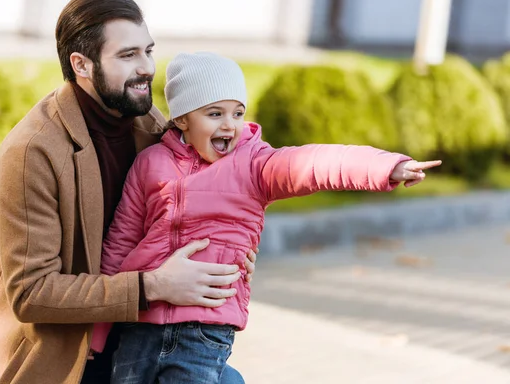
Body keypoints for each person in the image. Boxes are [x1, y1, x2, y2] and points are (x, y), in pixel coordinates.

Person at [0, 0, 255, 384]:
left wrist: (230, 252)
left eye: (148, 50)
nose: (146, 68)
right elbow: (32, 292)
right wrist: (156, 285)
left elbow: (202, 201)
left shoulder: (149, 125)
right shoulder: (32, 151)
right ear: (82, 64)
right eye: (127, 56)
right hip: (52, 350)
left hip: (130, 334)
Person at [90, 52, 443, 383]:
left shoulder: (255, 164)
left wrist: (387, 167)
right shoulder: (151, 163)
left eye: (238, 113)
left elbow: (315, 164)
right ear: (182, 118)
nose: (230, 125)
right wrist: (97, 332)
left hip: (205, 326)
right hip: (139, 323)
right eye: (215, 114)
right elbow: (121, 243)